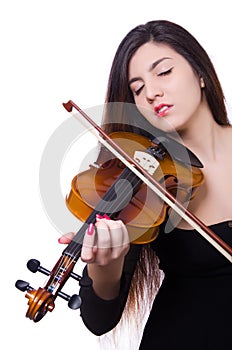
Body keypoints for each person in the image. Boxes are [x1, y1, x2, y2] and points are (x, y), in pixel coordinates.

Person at [59, 20, 232, 349]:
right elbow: (99, 320)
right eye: (137, 89)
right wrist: (105, 268)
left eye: (163, 72)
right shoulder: (144, 185)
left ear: (200, 73)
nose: (151, 92)